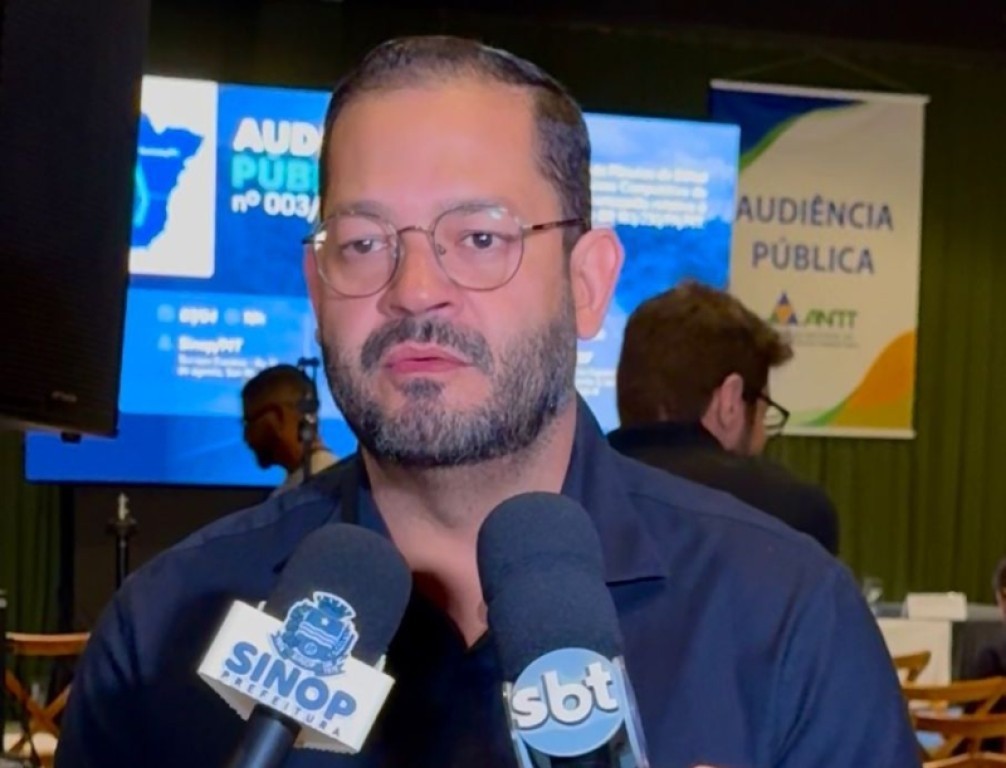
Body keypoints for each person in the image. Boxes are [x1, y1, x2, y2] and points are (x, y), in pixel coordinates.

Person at [55, 36, 917, 767]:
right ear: (317, 289)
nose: (414, 290)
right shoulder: (159, 637)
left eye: (479, 237)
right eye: (363, 243)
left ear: (587, 284)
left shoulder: (787, 622)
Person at [609, 281, 841, 555]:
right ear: (729, 402)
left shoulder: (571, 492)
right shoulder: (793, 513)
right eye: (763, 412)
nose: (763, 437)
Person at [241, 363, 338, 496]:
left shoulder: (308, 494)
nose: (246, 436)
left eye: (250, 422)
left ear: (277, 417)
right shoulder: (338, 479)